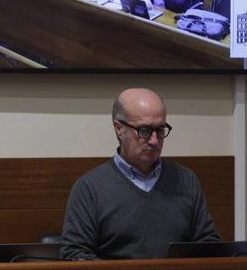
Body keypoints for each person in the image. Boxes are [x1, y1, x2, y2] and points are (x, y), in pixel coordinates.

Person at [61, 88, 219, 260]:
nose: (154, 140)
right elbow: (74, 254)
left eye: (160, 130)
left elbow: (208, 245)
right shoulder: (89, 189)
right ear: (119, 129)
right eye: (144, 130)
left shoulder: (186, 181)